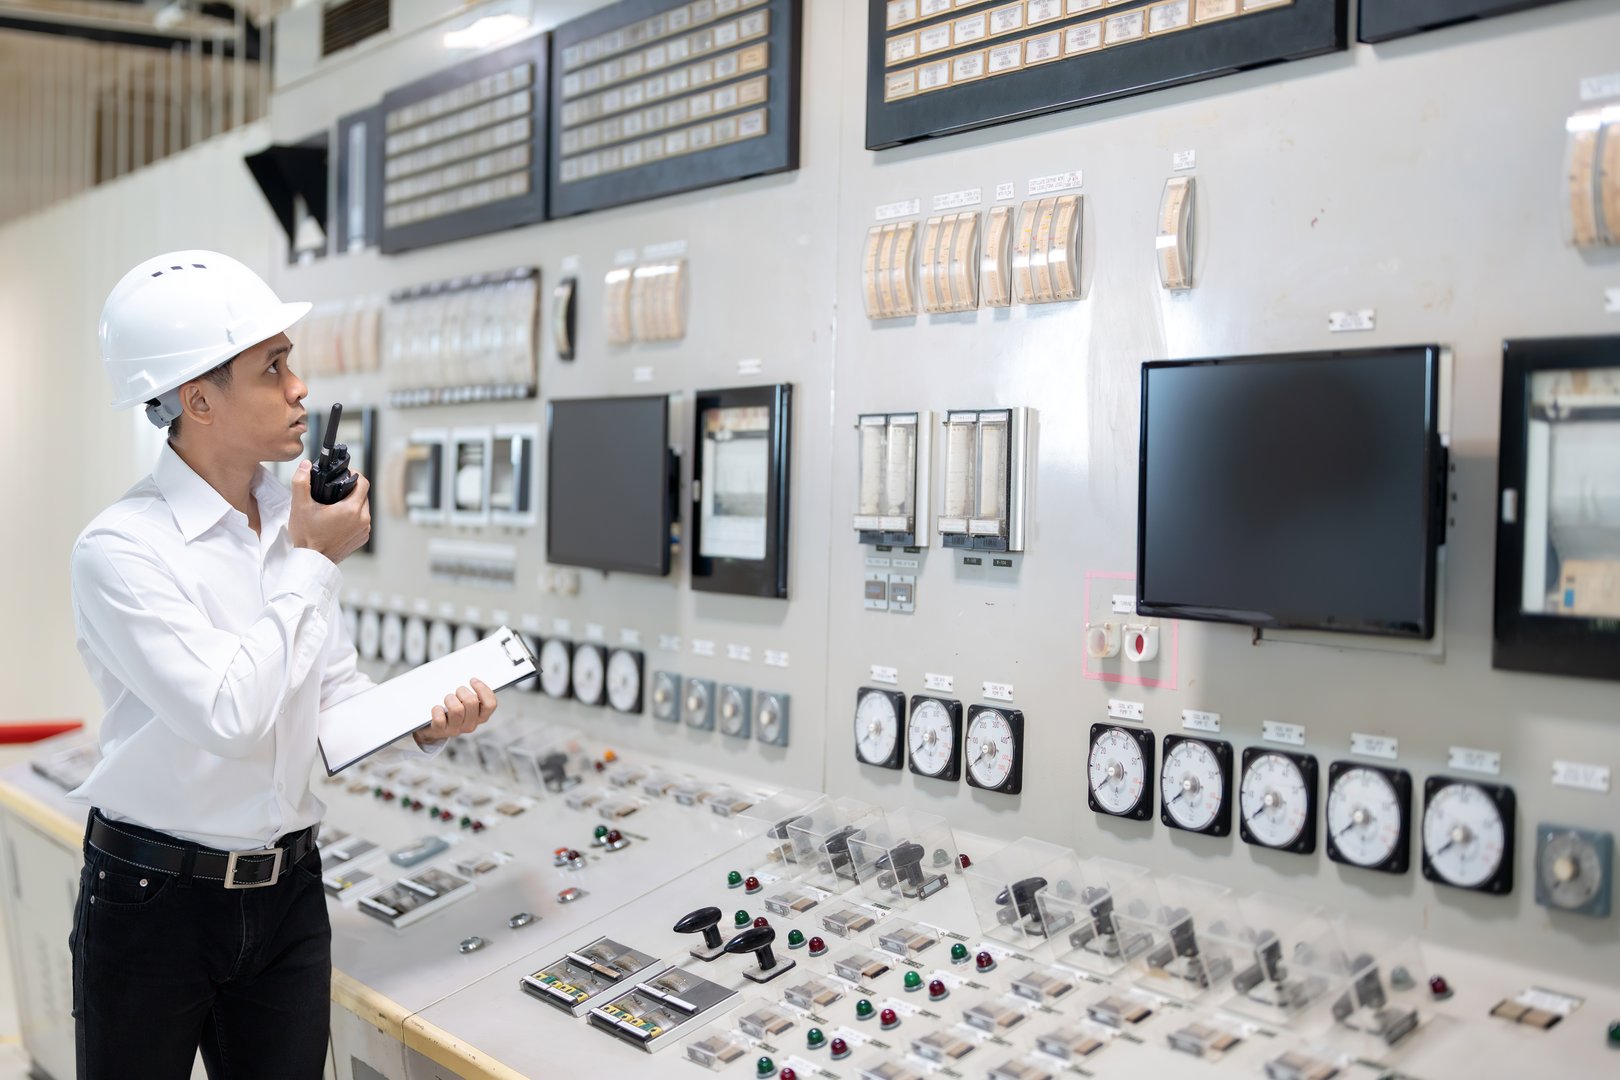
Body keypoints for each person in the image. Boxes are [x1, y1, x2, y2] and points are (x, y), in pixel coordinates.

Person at [66, 250, 497, 1079]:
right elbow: (229, 717)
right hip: (154, 900)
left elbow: (330, 694)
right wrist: (313, 562)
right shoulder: (121, 551)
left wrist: (426, 723)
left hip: (290, 891)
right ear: (198, 400)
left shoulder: (289, 522)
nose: (299, 386)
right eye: (273, 367)